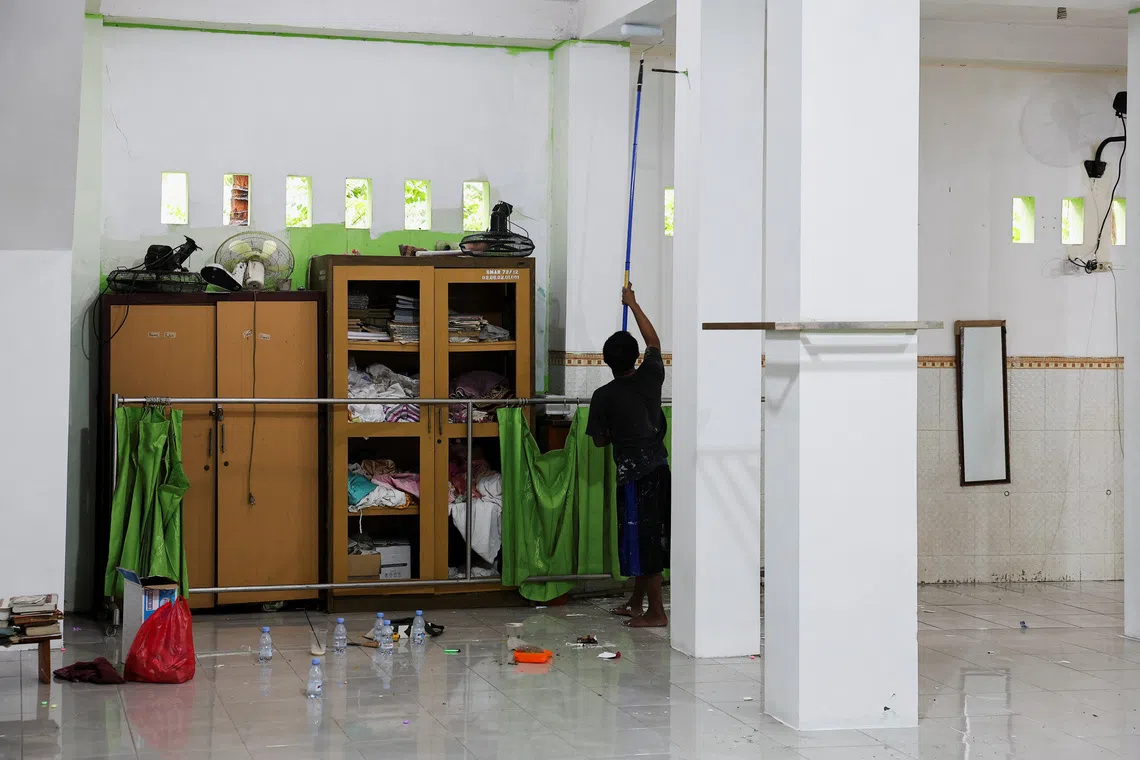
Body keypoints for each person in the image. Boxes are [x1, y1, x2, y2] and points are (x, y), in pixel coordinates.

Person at [586, 284, 670, 628]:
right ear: (635, 357)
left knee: (644, 539)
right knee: (647, 534)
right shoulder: (652, 376)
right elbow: (654, 342)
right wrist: (633, 303)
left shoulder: (603, 395)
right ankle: (636, 602)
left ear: (606, 361)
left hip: (635, 477)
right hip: (660, 469)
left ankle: (657, 613)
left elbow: (599, 442)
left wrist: (614, 431)